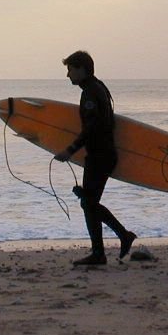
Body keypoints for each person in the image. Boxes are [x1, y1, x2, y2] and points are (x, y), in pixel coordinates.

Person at [53, 51, 136, 266]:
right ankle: (103, 249)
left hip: (100, 156)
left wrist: (69, 150)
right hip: (103, 155)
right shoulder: (98, 87)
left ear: (81, 69)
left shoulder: (90, 92)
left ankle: (118, 239)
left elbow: (92, 128)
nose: (68, 75)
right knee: (89, 203)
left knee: (88, 203)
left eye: (70, 70)